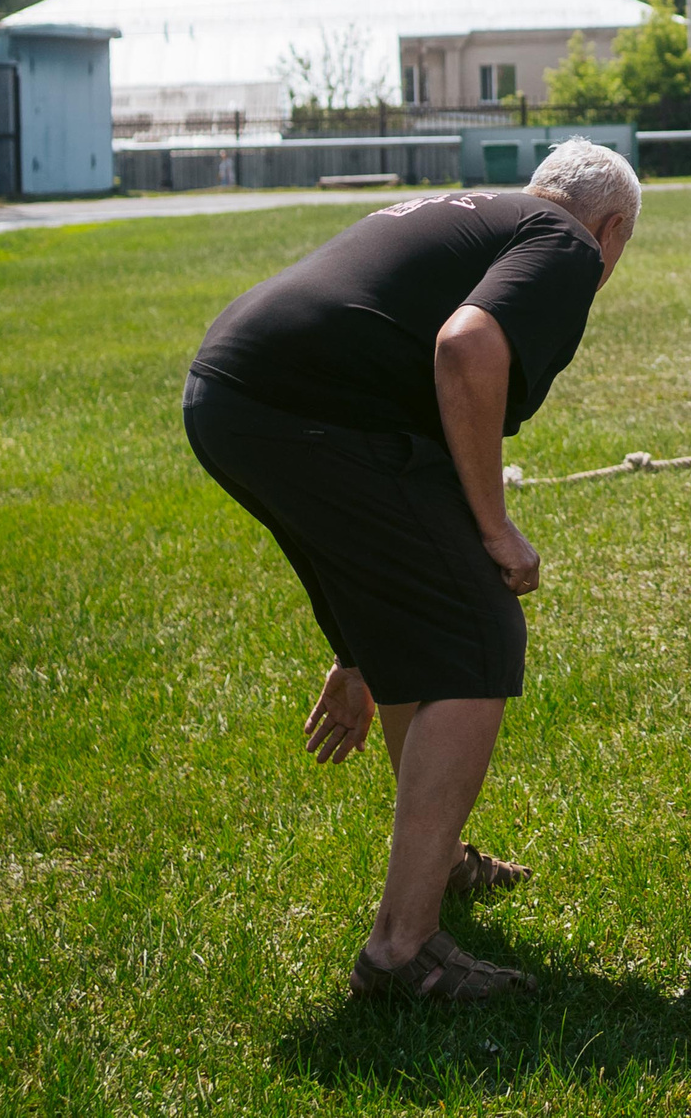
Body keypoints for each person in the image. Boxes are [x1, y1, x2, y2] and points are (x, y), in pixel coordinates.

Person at [182, 141, 643, 999]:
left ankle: (444, 866)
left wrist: (357, 652)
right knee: (479, 635)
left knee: (423, 634)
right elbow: (466, 349)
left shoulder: (484, 214)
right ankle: (403, 950)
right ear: (613, 228)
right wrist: (497, 530)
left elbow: (401, 447)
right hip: (304, 409)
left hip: (232, 394)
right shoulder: (567, 241)